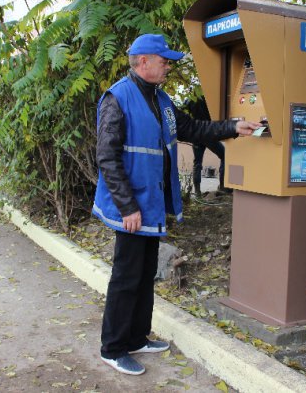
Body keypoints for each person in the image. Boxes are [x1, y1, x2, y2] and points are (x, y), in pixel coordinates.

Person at [93, 33, 261, 375]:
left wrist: (232, 126)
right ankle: (113, 347)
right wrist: (127, 207)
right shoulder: (118, 98)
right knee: (126, 278)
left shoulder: (161, 99)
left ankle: (138, 337)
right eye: (164, 61)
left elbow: (191, 128)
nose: (168, 66)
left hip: (151, 203)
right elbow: (107, 158)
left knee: (144, 275)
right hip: (131, 208)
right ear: (143, 62)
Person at [183, 94, 227, 196]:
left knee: (197, 163)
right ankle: (223, 187)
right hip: (208, 133)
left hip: (196, 136)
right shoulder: (208, 97)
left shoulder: (189, 99)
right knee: (224, 155)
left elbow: (183, 114)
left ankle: (197, 191)